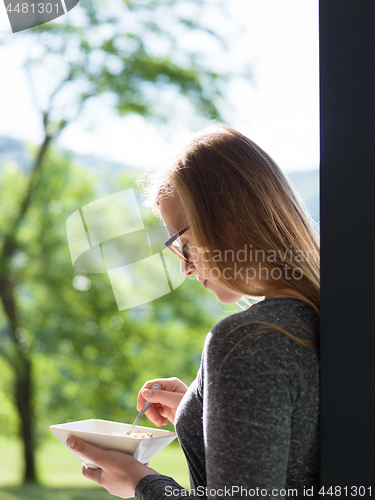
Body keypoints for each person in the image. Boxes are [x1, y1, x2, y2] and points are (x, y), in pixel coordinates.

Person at [66, 125, 320, 499]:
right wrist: (206, 411)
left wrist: (141, 484)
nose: (184, 268)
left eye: (184, 243)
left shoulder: (246, 342)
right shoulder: (318, 319)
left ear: (229, 220)